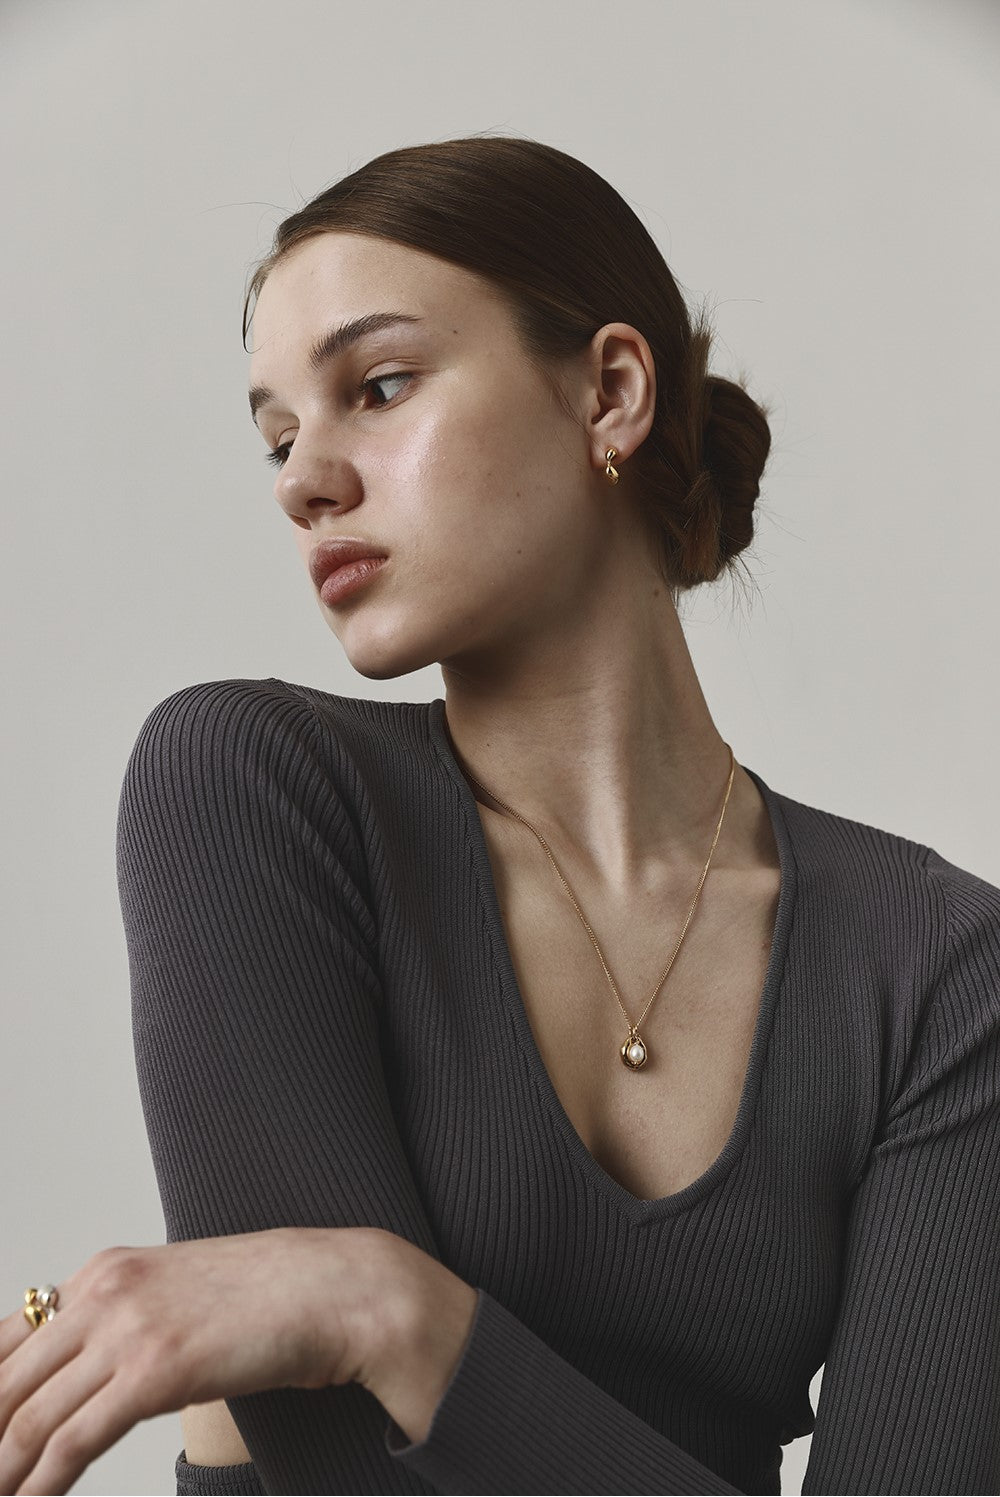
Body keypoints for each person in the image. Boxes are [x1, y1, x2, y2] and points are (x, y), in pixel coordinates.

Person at [2, 136, 998, 1497]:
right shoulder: (248, 789)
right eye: (280, 436)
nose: (304, 479)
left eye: (380, 385)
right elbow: (338, 1472)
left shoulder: (944, 971)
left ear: (610, 391)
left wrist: (385, 1307)